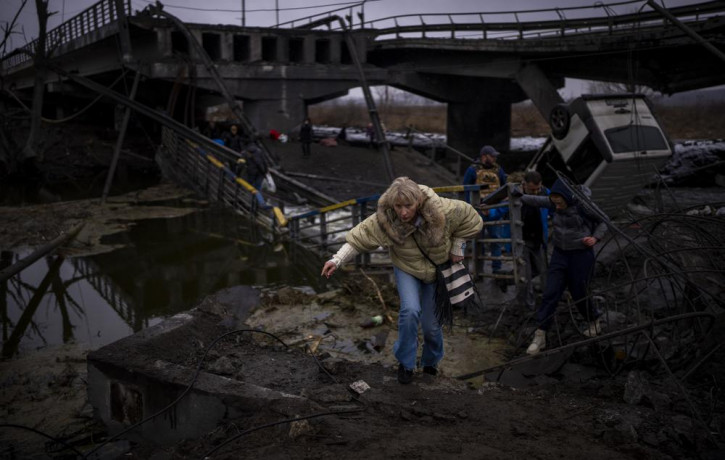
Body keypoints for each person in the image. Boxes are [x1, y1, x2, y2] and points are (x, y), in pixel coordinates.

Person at [321, 177, 483, 384]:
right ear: (392, 205)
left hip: (436, 271)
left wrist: (458, 245)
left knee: (431, 326)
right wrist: (337, 259)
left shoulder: (443, 208)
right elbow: (361, 236)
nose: (403, 212)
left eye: (408, 206)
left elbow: (472, 218)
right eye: (398, 206)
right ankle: (406, 364)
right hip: (406, 268)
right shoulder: (386, 217)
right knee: (410, 311)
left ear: (418, 202)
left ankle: (430, 364)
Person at [518, 178, 607, 355]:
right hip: (560, 253)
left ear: (568, 198)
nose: (557, 207)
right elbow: (534, 200)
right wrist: (517, 194)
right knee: (550, 292)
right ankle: (540, 335)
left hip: (581, 254)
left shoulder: (584, 205)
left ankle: (594, 320)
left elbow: (604, 221)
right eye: (554, 203)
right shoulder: (553, 201)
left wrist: (595, 238)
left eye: (560, 203)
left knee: (579, 292)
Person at [485, 171, 549, 301]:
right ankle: (526, 305)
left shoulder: (545, 192)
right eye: (532, 189)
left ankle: (506, 280)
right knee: (525, 274)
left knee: (540, 270)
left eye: (538, 189)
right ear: (524, 184)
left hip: (538, 239)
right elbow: (500, 209)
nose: (535, 192)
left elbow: (556, 201)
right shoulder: (514, 195)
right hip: (521, 240)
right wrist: (488, 212)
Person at [462, 145, 508, 274]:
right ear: (484, 156)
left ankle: (497, 269)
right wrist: (470, 208)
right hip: (478, 209)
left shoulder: (498, 169)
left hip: (494, 209)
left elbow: (504, 187)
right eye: (492, 156)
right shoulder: (472, 170)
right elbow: (466, 189)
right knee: (478, 241)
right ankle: (478, 270)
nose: (494, 158)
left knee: (496, 239)